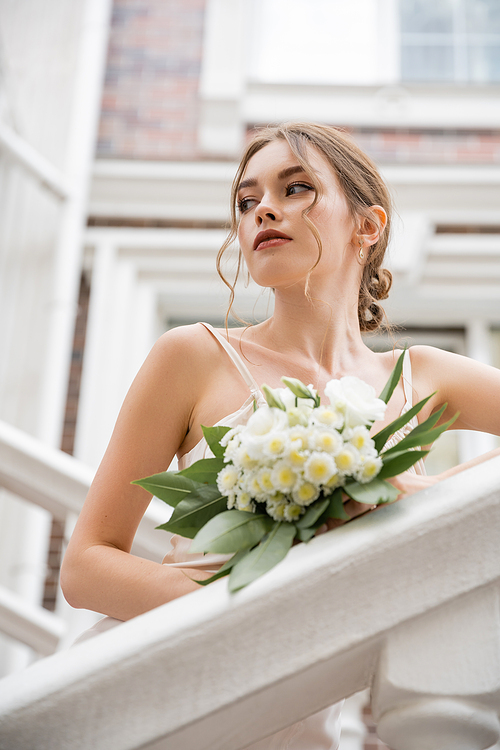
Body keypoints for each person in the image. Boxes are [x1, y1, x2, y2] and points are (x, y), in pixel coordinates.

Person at [61, 122, 500, 749]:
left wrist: (421, 492)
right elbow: (85, 566)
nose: (264, 208)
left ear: (367, 225)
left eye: (296, 188)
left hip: (301, 715)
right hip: (151, 689)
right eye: (247, 200)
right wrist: (239, 607)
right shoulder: (192, 355)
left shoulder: (420, 377)